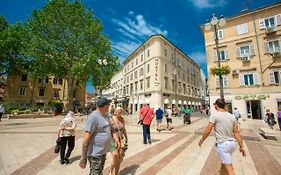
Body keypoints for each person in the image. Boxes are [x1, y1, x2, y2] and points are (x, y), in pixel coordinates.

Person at [199, 99, 246, 175]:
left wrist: (202, 140)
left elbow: (208, 131)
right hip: (232, 144)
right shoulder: (231, 116)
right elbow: (236, 132)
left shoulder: (214, 116)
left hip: (223, 145)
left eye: (214, 105)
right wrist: (241, 146)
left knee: (230, 170)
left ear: (216, 106)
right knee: (224, 165)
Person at [79, 97, 119, 175]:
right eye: (108, 105)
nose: (109, 107)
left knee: (98, 172)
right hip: (95, 154)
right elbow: (86, 138)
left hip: (103, 152)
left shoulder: (106, 115)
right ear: (105, 106)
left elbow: (111, 129)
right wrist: (83, 158)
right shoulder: (93, 117)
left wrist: (116, 138)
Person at [109, 107, 128, 175]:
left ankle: (116, 173)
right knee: (115, 156)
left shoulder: (122, 119)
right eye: (119, 113)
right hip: (112, 139)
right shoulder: (111, 119)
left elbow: (123, 129)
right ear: (115, 112)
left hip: (121, 139)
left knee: (119, 158)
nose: (120, 114)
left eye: (121, 112)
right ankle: (111, 170)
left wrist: (126, 137)